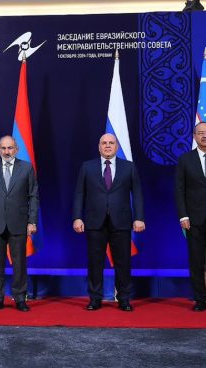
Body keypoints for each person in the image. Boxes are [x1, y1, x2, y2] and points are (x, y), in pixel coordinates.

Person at [73, 133, 145, 312]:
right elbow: (79, 193)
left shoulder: (128, 167)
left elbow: (137, 194)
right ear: (99, 147)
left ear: (117, 146)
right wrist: (77, 217)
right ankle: (95, 299)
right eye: (104, 143)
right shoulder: (87, 167)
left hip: (121, 222)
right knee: (95, 262)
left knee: (123, 262)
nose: (107, 146)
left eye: (111, 143)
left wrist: (139, 218)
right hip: (94, 222)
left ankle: (124, 299)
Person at [0, 135, 39, 312]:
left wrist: (32, 221)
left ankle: (20, 298)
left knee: (19, 264)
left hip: (19, 222)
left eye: (10, 148)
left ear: (16, 149)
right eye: (3, 148)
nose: (7, 151)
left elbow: (33, 196)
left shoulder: (26, 167)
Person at [175, 122, 206, 312]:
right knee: (196, 260)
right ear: (194, 136)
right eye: (200, 133)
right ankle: (200, 299)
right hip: (194, 219)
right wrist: (183, 216)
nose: (204, 136)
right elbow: (179, 190)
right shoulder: (185, 160)